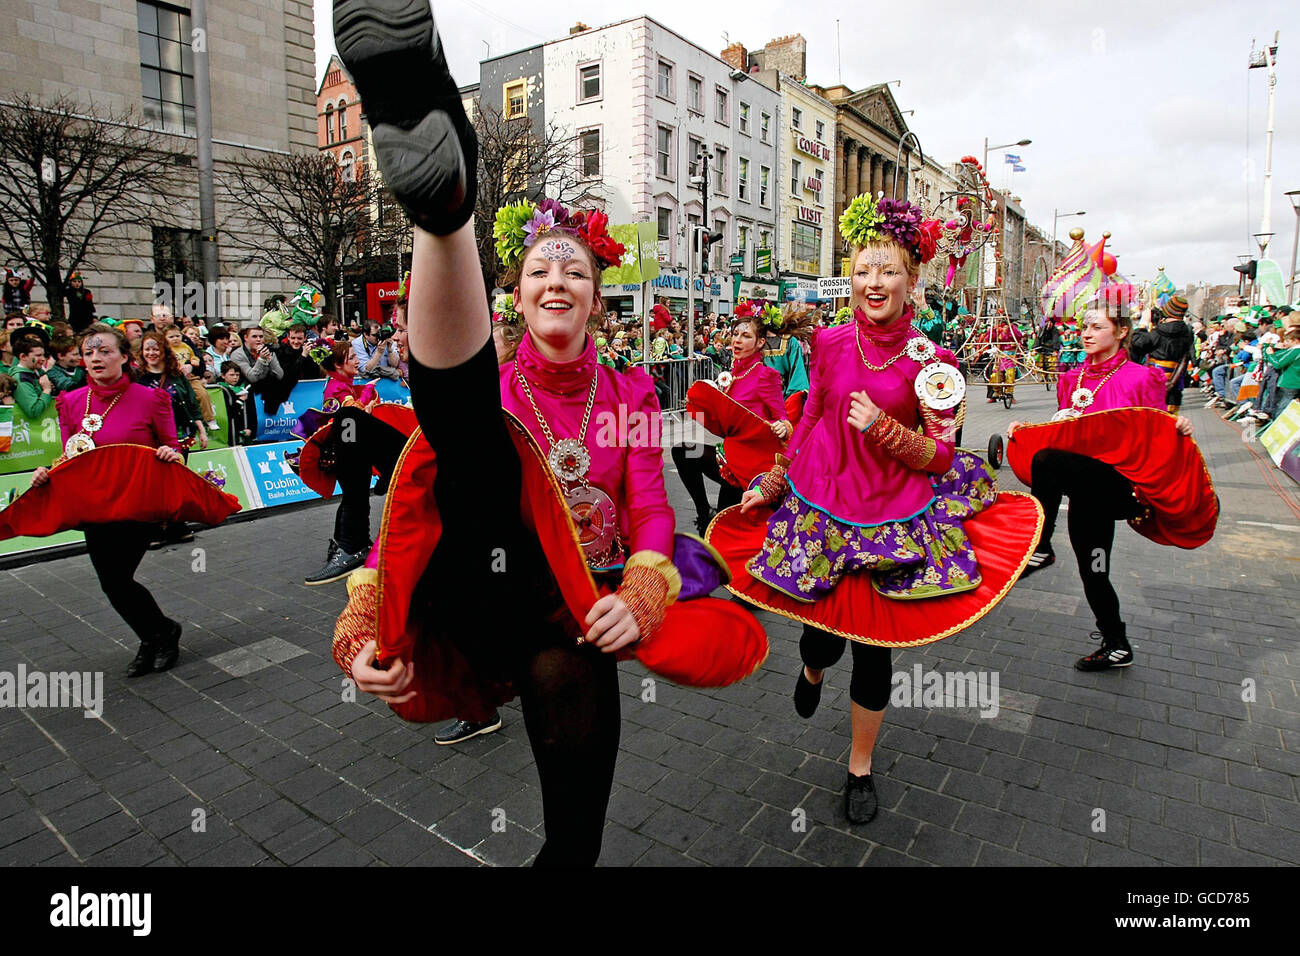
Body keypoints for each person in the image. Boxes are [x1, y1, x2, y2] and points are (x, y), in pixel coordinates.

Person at [328, 0, 763, 865]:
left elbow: (648, 505)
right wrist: (363, 629)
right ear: (516, 298)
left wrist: (641, 594)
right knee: (474, 441)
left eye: (575, 269)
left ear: (597, 300)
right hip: (474, 584)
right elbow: (415, 505)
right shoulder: (495, 378)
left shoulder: (631, 387)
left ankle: (446, 193)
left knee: (573, 841)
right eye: (538, 269)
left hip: (570, 615)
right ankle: (442, 211)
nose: (557, 278)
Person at [711, 193, 1040, 825]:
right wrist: (774, 483)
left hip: (896, 521)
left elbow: (944, 458)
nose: (873, 282)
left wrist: (886, 431)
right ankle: (810, 669)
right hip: (822, 510)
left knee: (873, 652)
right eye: (863, 269)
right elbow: (807, 422)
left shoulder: (933, 363)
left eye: (887, 269)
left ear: (912, 276)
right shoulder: (829, 344)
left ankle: (859, 767)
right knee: (822, 639)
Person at [1008, 293, 1203, 672]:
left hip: (1117, 484)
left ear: (1122, 332)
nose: (1087, 333)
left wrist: (1180, 426)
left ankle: (1042, 546)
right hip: (1086, 492)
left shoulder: (1142, 377)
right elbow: (1064, 431)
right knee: (1094, 569)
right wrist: (1027, 431)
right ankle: (1117, 644)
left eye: (1098, 326)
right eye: (1084, 326)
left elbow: (1154, 426)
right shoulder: (1070, 379)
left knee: (1046, 461)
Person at [26, 324, 205, 676]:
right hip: (95, 503)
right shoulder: (70, 401)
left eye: (104, 351)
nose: (95, 358)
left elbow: (171, 444)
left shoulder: (151, 398)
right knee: (111, 582)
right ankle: (156, 633)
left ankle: (160, 633)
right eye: (89, 352)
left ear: (124, 357)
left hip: (138, 502)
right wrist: (47, 471)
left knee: (119, 578)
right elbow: (70, 457)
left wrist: (173, 453)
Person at [298, 342, 411, 585]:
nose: (396, 339)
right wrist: (367, 399)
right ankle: (351, 546)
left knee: (354, 490)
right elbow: (352, 412)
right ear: (337, 365)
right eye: (351, 358)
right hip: (359, 448)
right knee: (353, 488)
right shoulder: (338, 387)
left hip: (419, 457)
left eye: (401, 330)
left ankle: (352, 546)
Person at [672, 308, 788, 535]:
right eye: (735, 334)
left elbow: (781, 415)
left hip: (750, 467)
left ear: (760, 342)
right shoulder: (732, 375)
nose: (737, 340)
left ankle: (714, 524)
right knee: (683, 452)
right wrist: (699, 404)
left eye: (746, 336)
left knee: (725, 529)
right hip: (728, 456)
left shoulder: (765, 375)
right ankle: (704, 512)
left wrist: (783, 426)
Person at [138, 330, 208, 455]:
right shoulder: (137, 378)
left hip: (178, 433)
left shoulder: (176, 375)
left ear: (164, 350)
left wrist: (202, 431)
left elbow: (192, 403)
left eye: (155, 349)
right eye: (147, 349)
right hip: (149, 436)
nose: (151, 353)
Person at [1131, 295, 1195, 414]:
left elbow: (1137, 343)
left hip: (1153, 385)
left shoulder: (1158, 333)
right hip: (1174, 386)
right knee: (1170, 422)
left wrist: (1143, 323)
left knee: (1152, 422)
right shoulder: (1188, 333)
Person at [164, 325, 218, 430]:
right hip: (175, 379)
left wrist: (194, 362)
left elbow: (194, 356)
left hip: (191, 377)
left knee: (202, 394)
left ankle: (209, 419)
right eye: (171, 337)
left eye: (177, 336)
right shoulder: (165, 349)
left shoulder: (186, 346)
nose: (175, 339)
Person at [229, 325, 284, 396]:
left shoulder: (267, 351)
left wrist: (270, 360)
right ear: (246, 338)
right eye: (254, 336)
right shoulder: (237, 354)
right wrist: (261, 359)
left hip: (268, 393)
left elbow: (280, 375)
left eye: (261, 337)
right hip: (248, 394)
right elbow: (252, 378)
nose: (258, 339)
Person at [12, 337, 54, 420]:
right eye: (38, 355)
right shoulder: (21, 379)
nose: (43, 359)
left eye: (43, 355)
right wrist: (46, 390)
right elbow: (33, 411)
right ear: (23, 356)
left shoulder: (38, 372)